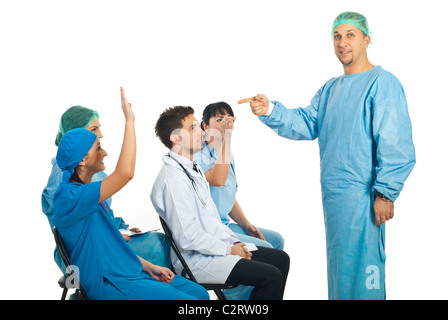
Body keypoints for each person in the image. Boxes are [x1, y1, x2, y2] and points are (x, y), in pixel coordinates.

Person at [238, 12, 416, 300]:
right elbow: (307, 123)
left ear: (366, 39)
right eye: (337, 36)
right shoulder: (331, 89)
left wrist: (385, 193)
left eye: (350, 35)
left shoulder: (383, 83)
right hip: (335, 200)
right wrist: (269, 109)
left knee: (366, 273)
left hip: (365, 199)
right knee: (340, 275)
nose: (342, 42)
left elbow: (396, 143)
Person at [51, 88, 208, 300]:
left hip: (128, 270)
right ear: (81, 160)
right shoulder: (69, 196)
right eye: (98, 147)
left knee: (198, 293)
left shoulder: (91, 196)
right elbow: (124, 174)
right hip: (111, 282)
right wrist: (129, 121)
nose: (104, 152)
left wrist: (148, 266)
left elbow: (111, 243)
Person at [150, 106, 290, 300]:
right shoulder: (173, 180)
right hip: (198, 260)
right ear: (176, 138)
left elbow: (213, 219)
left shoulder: (192, 169)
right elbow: (189, 238)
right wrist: (230, 250)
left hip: (215, 248)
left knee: (281, 259)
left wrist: (236, 242)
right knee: (270, 276)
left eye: (198, 126)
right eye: (192, 128)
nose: (201, 132)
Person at [42, 105, 171, 271]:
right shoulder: (62, 181)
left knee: (162, 244)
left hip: (105, 240)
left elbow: (101, 214)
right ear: (75, 135)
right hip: (87, 253)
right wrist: (112, 235)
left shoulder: (91, 170)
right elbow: (72, 229)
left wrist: (121, 228)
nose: (100, 135)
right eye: (94, 129)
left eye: (99, 128)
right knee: (160, 246)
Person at [195, 102, 285, 300]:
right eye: (218, 120)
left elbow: (229, 195)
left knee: (276, 239)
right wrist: (226, 138)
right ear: (204, 126)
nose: (224, 125)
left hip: (226, 224)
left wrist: (246, 224)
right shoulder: (198, 155)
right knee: (268, 251)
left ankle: (257, 294)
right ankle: (235, 297)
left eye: (228, 120)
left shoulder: (228, 155)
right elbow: (218, 181)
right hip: (212, 229)